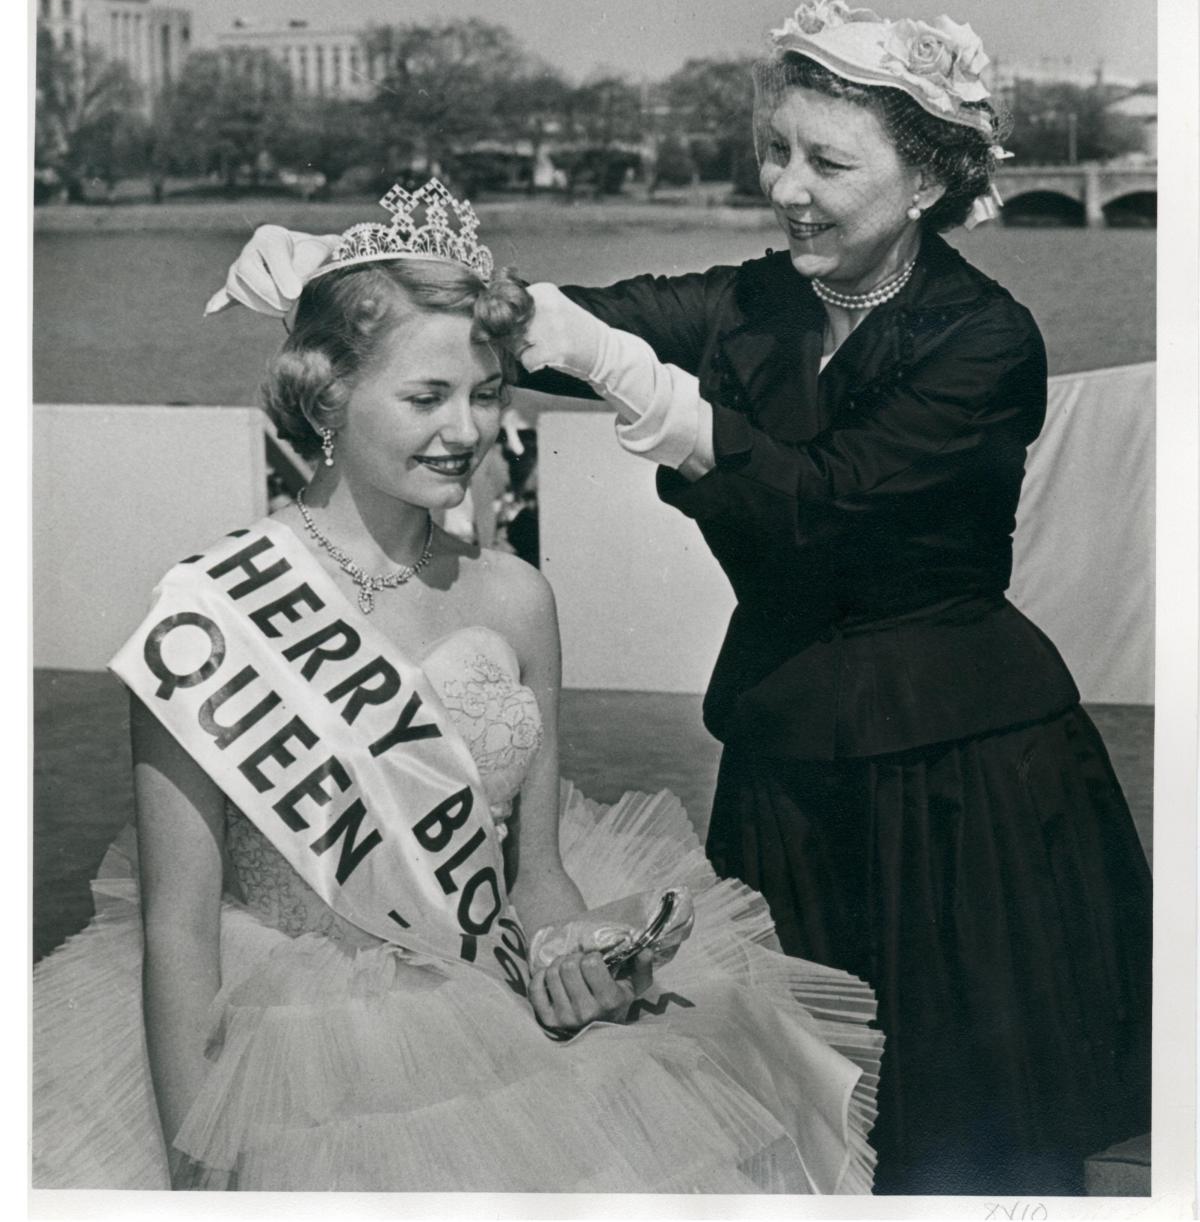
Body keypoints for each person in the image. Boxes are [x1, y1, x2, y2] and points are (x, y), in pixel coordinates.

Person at [32, 178, 882, 1193]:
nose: (467, 429)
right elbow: (176, 926)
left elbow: (535, 876)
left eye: (486, 393)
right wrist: (193, 1168)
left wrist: (573, 951)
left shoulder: (516, 596)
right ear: (326, 394)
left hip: (484, 1018)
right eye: (427, 396)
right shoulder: (210, 613)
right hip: (276, 1056)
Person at [515, 0, 1152, 1194]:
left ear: (924, 181)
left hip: (964, 791)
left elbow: (819, 504)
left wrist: (638, 385)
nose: (786, 185)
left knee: (958, 1149)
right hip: (787, 766)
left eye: (826, 160)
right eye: (776, 150)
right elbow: (562, 320)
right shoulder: (753, 298)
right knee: (786, 1125)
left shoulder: (985, 337)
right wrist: (357, 270)